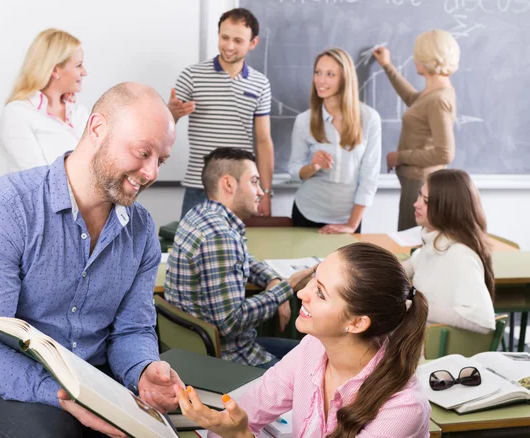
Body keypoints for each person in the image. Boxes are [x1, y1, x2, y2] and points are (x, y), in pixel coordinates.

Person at [0, 83, 184, 438]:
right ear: (98, 128)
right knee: (52, 432)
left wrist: (142, 369)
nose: (151, 173)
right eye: (142, 152)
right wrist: (64, 397)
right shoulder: (3, 209)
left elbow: (132, 330)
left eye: (160, 160)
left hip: (92, 384)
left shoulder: (142, 230)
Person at [174, 242, 431, 438]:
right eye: (313, 279)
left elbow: (239, 429)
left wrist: (241, 435)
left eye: (320, 293)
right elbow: (244, 413)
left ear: (356, 323)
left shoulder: (403, 408)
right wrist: (227, 427)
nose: (300, 293)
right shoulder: (313, 348)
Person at [164, 148, 314, 369]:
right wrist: (288, 287)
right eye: (254, 182)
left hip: (205, 352)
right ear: (228, 184)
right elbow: (230, 322)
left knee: (311, 353)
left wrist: (272, 280)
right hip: (231, 359)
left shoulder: (200, 215)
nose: (261, 192)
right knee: (317, 360)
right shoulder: (220, 236)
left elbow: (242, 258)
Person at [168, 8, 275, 218]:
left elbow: (263, 141)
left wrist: (267, 193)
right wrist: (172, 113)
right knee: (193, 250)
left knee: (238, 250)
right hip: (199, 186)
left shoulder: (260, 84)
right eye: (224, 37)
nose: (229, 45)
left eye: (238, 40)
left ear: (253, 43)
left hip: (242, 189)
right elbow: (164, 126)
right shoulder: (191, 75)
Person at [373, 29, 460, 230]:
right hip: (415, 183)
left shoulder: (439, 100)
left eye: (417, 54)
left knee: (410, 244)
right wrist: (387, 66)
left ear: (427, 59)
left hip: (419, 186)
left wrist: (400, 156)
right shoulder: (435, 92)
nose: (414, 59)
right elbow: (413, 100)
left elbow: (445, 153)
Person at [289, 48, 382, 234]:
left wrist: (352, 225)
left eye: (330, 74)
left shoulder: (369, 119)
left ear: (345, 79)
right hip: (307, 214)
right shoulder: (304, 121)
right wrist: (312, 166)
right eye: (318, 72)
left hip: (348, 220)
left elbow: (369, 178)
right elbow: (293, 170)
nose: (321, 80)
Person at [403, 169, 495, 333]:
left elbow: (483, 321)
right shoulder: (436, 243)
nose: (416, 204)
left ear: (447, 208)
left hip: (432, 353)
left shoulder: (460, 255)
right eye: (419, 196)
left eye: (425, 201)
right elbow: (407, 267)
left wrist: (416, 306)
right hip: (419, 341)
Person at [0, 28, 89, 172]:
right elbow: (37, 179)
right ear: (55, 70)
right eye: (78, 65)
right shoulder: (17, 113)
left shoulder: (79, 113)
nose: (84, 72)